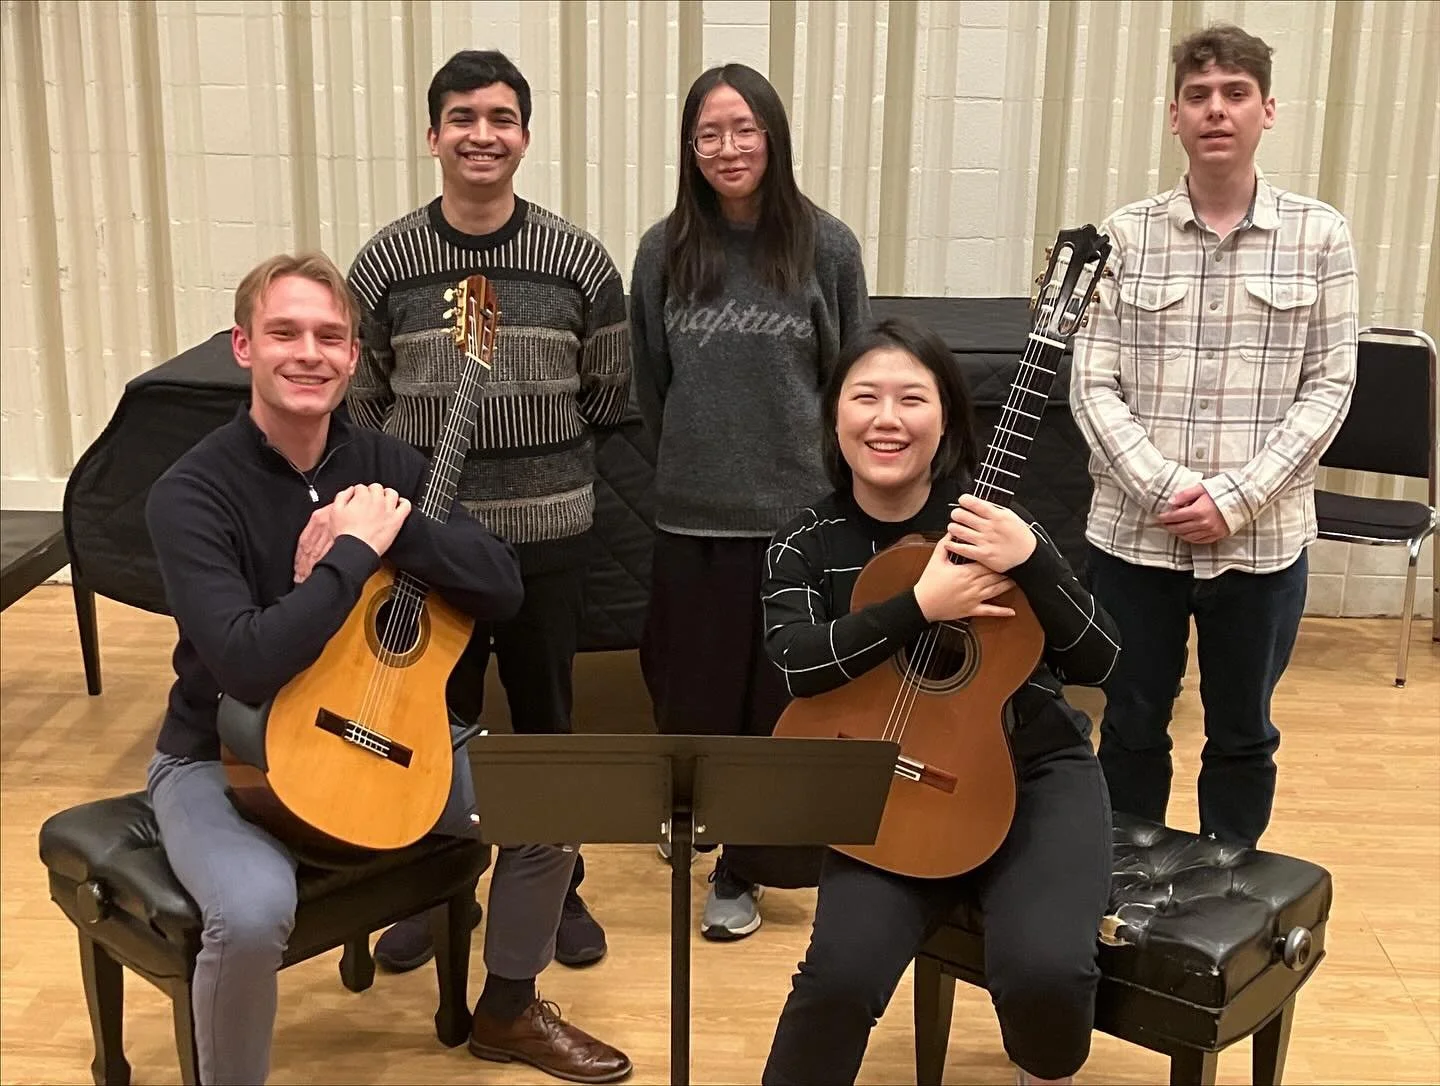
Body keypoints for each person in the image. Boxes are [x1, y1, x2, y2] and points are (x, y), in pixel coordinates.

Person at [145, 253, 632, 1086]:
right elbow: (246, 661)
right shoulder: (191, 494)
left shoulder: (387, 464)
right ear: (243, 347)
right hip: (223, 755)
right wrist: (351, 554)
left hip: (372, 730)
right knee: (253, 915)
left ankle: (508, 1010)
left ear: (352, 355)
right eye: (284, 333)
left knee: (553, 805)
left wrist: (398, 531)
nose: (309, 353)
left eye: (329, 336)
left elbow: (503, 585)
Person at [758, 317, 1118, 1086]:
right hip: (886, 779)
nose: (887, 419)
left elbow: (1100, 659)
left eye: (912, 399)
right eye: (866, 397)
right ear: (834, 416)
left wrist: (1033, 562)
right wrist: (919, 606)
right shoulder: (805, 541)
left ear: (947, 418)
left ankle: (1044, 1069)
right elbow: (795, 664)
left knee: (1047, 973)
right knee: (839, 979)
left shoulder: (998, 529)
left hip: (1031, 770)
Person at [346, 49, 631, 969]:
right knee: (432, 724)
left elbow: (608, 389)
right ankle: (438, 891)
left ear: (526, 136)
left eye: (501, 118)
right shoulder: (386, 262)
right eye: (463, 118)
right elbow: (364, 399)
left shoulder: (578, 259)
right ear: (433, 136)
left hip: (549, 536)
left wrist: (535, 461)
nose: (483, 134)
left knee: (548, 725)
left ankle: (559, 887)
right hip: (433, 547)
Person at [1070, 23, 1358, 848]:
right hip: (1136, 540)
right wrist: (1166, 490)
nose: (1216, 110)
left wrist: (1235, 498)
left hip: (1261, 545)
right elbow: (1092, 383)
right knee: (1131, 724)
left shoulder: (1321, 236)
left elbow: (1331, 386)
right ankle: (1126, 883)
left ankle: (1228, 894)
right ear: (1174, 116)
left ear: (1268, 110)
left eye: (1235, 93)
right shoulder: (1124, 236)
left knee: (1242, 734)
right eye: (1198, 96)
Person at [628, 62, 871, 940]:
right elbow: (651, 384)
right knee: (692, 699)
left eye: (743, 129)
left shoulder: (827, 247)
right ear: (689, 148)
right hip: (691, 519)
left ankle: (745, 868)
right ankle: (695, 817)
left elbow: (849, 383)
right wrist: (702, 459)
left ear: (773, 136)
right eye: (709, 134)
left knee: (780, 712)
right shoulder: (662, 251)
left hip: (795, 522)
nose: (727, 148)